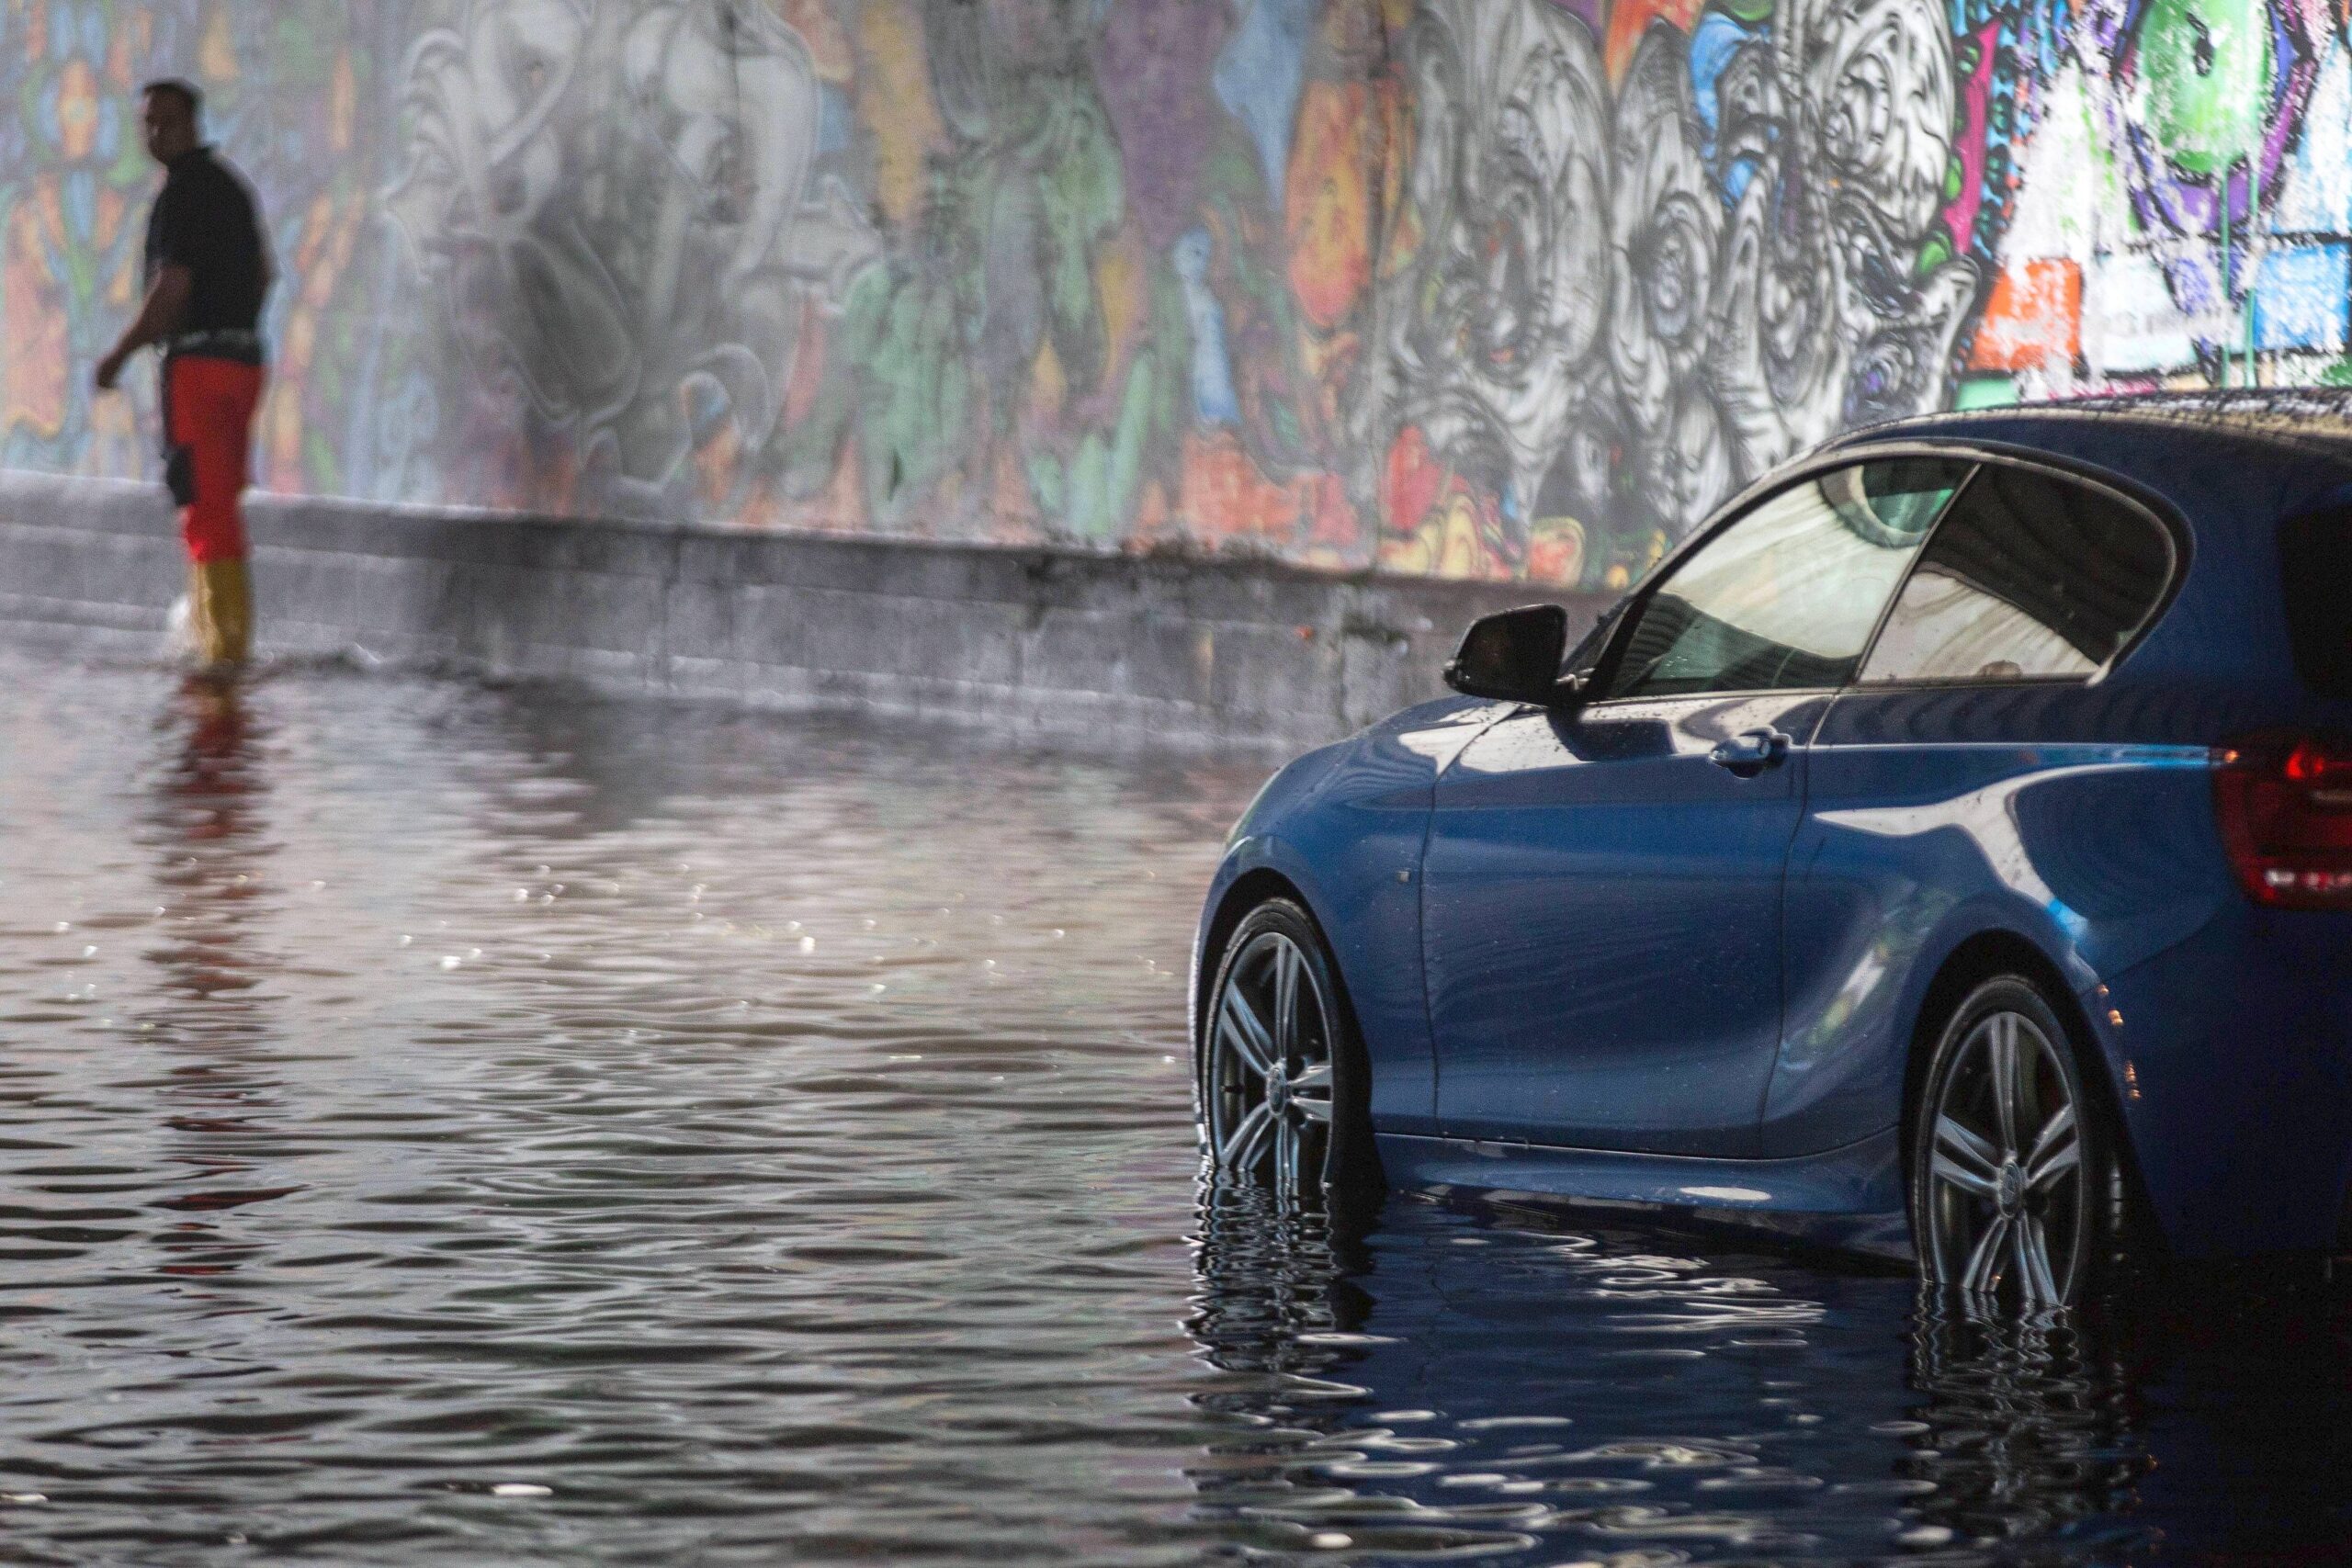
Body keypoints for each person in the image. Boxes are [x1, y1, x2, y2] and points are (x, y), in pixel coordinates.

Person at [95, 79, 271, 669]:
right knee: (219, 500)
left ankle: (222, 654)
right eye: (147, 122)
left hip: (197, 366)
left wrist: (120, 354)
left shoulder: (182, 195)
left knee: (203, 505)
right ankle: (217, 638)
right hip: (244, 362)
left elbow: (172, 289)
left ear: (192, 123)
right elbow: (266, 271)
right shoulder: (232, 188)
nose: (154, 133)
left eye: (165, 121)